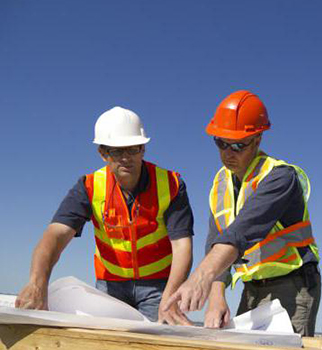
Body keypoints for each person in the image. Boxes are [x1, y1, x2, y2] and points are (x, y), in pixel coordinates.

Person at [15, 106, 194, 325]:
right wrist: (36, 283)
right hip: (110, 285)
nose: (126, 158)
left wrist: (171, 295)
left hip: (159, 286)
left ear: (143, 149)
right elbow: (55, 236)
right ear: (103, 153)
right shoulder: (89, 187)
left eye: (132, 149)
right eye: (117, 151)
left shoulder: (171, 184)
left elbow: (182, 246)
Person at [164, 90, 321, 336]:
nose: (228, 152)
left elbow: (241, 231)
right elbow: (217, 239)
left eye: (238, 145)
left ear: (257, 140)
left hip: (294, 284)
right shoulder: (221, 183)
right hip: (252, 287)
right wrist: (216, 295)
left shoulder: (280, 177)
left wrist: (200, 277)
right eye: (221, 143)